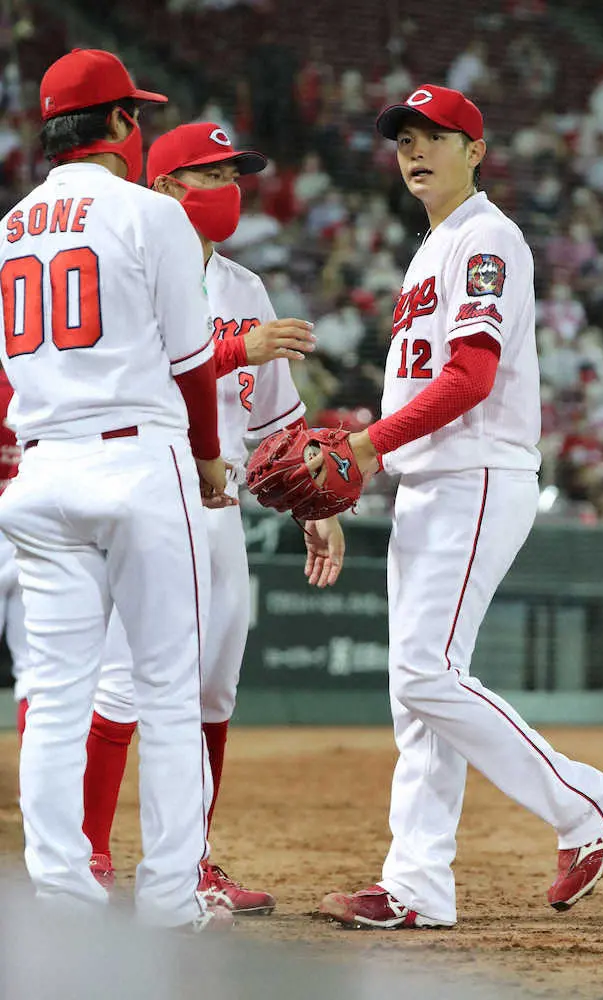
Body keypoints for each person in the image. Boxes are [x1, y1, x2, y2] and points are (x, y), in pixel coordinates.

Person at [316, 85, 603, 928]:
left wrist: (369, 442)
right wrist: (377, 458)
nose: (414, 152)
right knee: (414, 690)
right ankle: (417, 887)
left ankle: (585, 806)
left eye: (435, 137)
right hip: (431, 481)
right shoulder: (432, 248)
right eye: (403, 140)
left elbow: (472, 378)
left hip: (479, 474)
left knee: (426, 673)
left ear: (477, 149)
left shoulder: (489, 238)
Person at [80, 121, 341, 912]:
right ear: (163, 188)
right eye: (208, 174)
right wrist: (238, 346)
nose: (227, 188)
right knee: (126, 679)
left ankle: (192, 860)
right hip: (146, 486)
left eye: (234, 173)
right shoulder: (123, 263)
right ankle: (91, 854)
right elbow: (146, 360)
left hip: (220, 504)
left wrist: (312, 505)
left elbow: (274, 429)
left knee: (213, 691)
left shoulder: (243, 286)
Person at [0, 49, 232, 930]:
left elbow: (3, 381)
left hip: (42, 469)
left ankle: (61, 897)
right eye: (135, 116)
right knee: (169, 689)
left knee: (55, 698)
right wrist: (210, 461)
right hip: (139, 461)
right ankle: (171, 901)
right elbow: (193, 362)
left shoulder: (9, 228)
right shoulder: (150, 214)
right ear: (123, 127)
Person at [0, 367, 29, 728]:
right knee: (36, 674)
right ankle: (34, 785)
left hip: (24, 528)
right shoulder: (44, 377)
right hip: (31, 526)